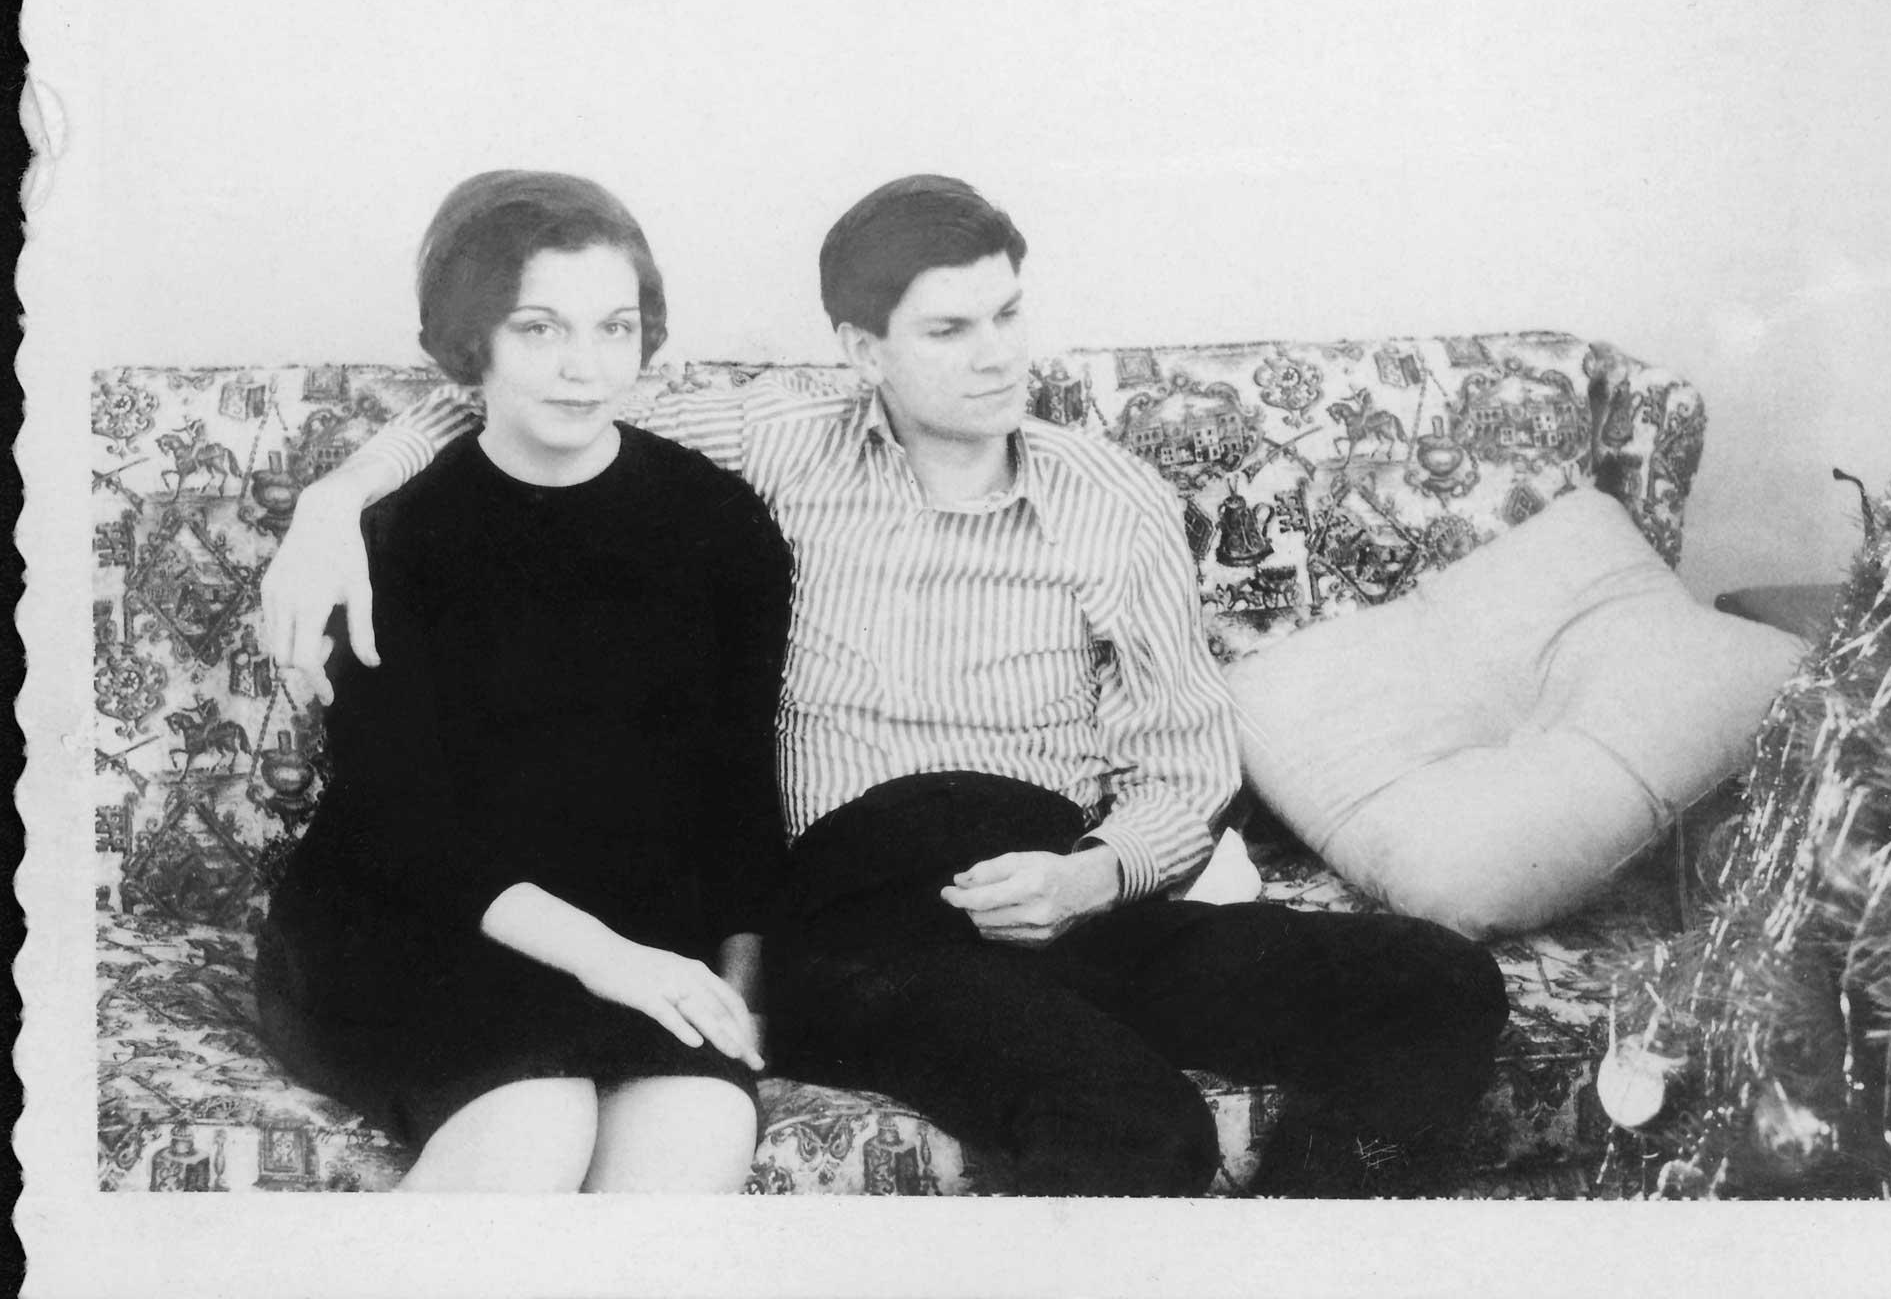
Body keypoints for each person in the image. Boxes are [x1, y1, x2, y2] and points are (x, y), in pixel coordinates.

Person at [264, 173, 1508, 1197]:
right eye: (947, 330)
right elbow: (542, 405)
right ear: (860, 346)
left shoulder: (1111, 495)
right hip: (865, 917)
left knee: (1434, 981)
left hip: (1066, 887)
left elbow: (1184, 761)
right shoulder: (773, 446)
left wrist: (1098, 870)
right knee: (1132, 1126)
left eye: (1006, 316)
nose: (994, 359)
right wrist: (334, 501)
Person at [254, 170, 794, 1193]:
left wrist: (739, 993)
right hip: (413, 921)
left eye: (613, 328)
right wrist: (605, 958)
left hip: (633, 925)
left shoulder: (719, 525)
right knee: (533, 1120)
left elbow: (735, 785)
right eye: (538, 328)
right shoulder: (390, 536)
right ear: (474, 342)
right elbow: (404, 822)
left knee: (696, 1128)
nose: (583, 368)